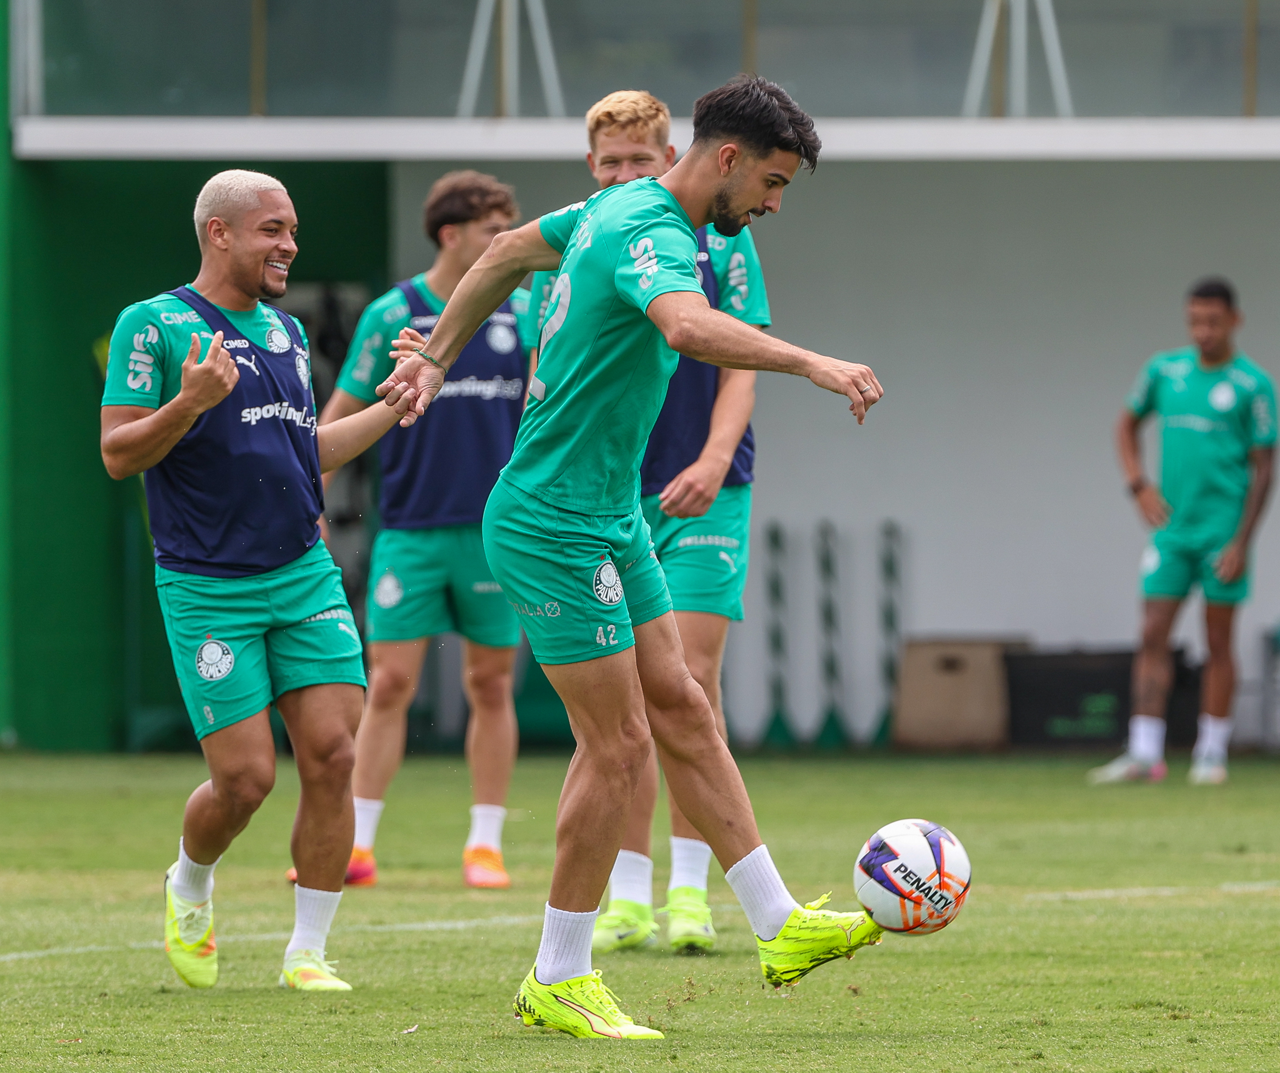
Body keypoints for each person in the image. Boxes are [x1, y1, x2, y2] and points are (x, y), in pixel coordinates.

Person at [381, 76, 887, 1040]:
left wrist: (439, 356)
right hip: (552, 522)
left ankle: (778, 923)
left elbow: (498, 254)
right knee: (615, 748)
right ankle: (558, 973)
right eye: (774, 184)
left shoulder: (608, 206)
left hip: (606, 513)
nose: (775, 207)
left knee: (684, 710)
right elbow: (688, 327)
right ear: (728, 159)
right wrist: (811, 361)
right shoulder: (650, 225)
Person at [99, 169, 417, 993]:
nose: (290, 246)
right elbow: (118, 453)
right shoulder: (154, 325)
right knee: (245, 778)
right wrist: (190, 404)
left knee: (333, 752)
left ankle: (308, 950)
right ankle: (190, 881)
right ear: (221, 233)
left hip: (301, 574)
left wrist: (399, 403)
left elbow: (303, 457)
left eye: (294, 231)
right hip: (207, 586)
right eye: (274, 230)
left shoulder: (283, 335)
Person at [531, 90, 770, 956]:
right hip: (605, 495)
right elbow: (546, 372)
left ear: (676, 154)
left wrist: (712, 459)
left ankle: (693, 891)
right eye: (611, 165)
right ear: (592, 170)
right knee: (621, 712)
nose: (627, 175)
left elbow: (728, 350)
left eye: (642, 161)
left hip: (705, 485)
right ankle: (626, 892)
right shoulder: (588, 239)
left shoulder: (721, 241)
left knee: (688, 683)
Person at [303, 171, 538, 890]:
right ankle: (358, 842)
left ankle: (485, 843)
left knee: (491, 683)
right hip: (409, 530)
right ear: (451, 234)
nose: (506, 243)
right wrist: (308, 503)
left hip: (494, 532)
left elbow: (549, 404)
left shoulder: (524, 310)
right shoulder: (392, 313)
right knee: (390, 680)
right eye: (492, 228)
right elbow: (338, 417)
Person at [1092, 277, 1275, 786]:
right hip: (1172, 532)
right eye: (1195, 321)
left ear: (1234, 321)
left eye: (1213, 322)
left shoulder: (1252, 385)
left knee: (1219, 641)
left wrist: (1242, 541)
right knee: (1152, 633)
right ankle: (1144, 754)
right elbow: (1126, 425)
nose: (1204, 331)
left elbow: (1265, 467)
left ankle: (1211, 753)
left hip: (1223, 534)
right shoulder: (1164, 370)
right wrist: (1138, 485)